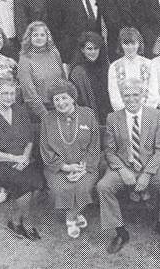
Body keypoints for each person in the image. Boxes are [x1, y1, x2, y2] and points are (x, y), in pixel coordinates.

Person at [97, 78, 160, 254]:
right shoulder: (113, 118)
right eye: (127, 95)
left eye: (136, 94)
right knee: (103, 187)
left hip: (152, 164)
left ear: (143, 95)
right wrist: (122, 170)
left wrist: (147, 174)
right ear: (121, 96)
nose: (131, 99)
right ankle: (120, 232)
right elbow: (110, 151)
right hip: (124, 165)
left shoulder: (156, 115)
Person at [0, 78, 44, 240]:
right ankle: (23, 222)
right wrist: (15, 158)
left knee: (39, 181)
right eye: (4, 93)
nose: (9, 97)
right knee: (25, 183)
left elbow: (29, 138)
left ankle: (15, 220)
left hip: (21, 159)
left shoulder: (20, 111)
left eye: (12, 93)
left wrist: (25, 157)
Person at [40, 80, 101, 239]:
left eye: (64, 98)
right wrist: (65, 167)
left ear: (73, 98)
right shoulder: (48, 119)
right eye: (56, 100)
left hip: (85, 166)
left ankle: (71, 217)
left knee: (83, 187)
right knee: (61, 188)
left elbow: (94, 146)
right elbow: (45, 149)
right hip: (58, 168)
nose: (61, 103)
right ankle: (75, 214)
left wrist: (83, 169)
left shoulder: (88, 114)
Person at [18, 21, 65, 121]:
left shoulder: (54, 53)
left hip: (60, 105)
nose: (39, 38)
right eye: (35, 35)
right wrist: (44, 114)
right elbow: (29, 93)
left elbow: (63, 79)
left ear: (47, 37)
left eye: (42, 35)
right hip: (39, 111)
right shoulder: (25, 59)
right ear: (29, 38)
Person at [69, 31, 112, 125]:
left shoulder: (106, 67)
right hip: (89, 119)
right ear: (82, 50)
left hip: (108, 115)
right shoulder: (77, 72)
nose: (93, 52)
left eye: (96, 48)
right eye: (89, 49)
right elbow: (77, 101)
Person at [108, 27, 153, 111]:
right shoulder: (114, 67)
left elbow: (153, 92)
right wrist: (125, 112)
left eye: (133, 43)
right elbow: (114, 95)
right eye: (126, 44)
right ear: (121, 45)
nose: (130, 47)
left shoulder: (149, 64)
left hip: (146, 113)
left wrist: (144, 112)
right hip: (123, 113)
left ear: (139, 44)